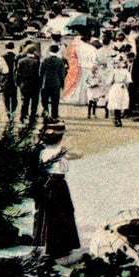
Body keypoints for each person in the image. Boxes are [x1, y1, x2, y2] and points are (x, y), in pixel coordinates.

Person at [32, 123, 81, 258]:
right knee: (62, 214)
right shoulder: (60, 152)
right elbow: (75, 157)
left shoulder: (40, 151)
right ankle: (61, 246)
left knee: (47, 215)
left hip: (46, 184)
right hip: (58, 184)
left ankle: (43, 244)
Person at [39, 44, 68, 121]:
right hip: (56, 83)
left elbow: (41, 72)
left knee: (44, 99)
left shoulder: (45, 60)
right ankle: (54, 115)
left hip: (45, 82)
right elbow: (63, 73)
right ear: (58, 50)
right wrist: (62, 82)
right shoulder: (60, 61)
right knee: (55, 100)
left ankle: (46, 111)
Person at [15, 43, 41, 124]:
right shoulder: (37, 61)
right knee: (34, 102)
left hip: (24, 84)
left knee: (24, 101)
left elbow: (18, 74)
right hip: (35, 84)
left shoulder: (21, 61)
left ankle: (23, 116)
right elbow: (39, 74)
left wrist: (18, 83)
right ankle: (32, 117)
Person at [107, 57, 132, 127]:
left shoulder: (125, 71)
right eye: (117, 62)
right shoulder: (114, 71)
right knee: (115, 103)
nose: (118, 64)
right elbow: (110, 81)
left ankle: (119, 118)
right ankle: (116, 119)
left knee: (121, 103)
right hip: (116, 87)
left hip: (122, 87)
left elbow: (128, 81)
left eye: (120, 62)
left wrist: (125, 86)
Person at [1, 42, 18, 116]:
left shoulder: (3, 57)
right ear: (13, 47)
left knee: (6, 95)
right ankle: (13, 110)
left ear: (5, 47)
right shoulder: (16, 57)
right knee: (14, 95)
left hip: (5, 78)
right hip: (13, 79)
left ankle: (7, 110)